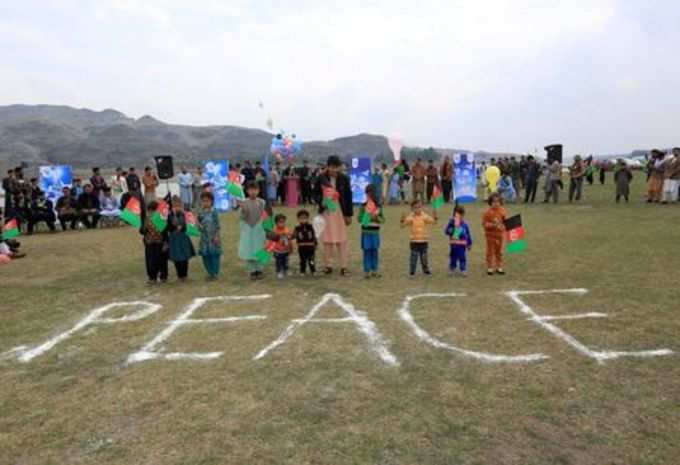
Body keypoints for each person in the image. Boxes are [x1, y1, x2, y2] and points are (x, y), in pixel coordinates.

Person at [316, 155, 354, 276]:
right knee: (326, 239)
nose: (334, 170)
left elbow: (348, 197)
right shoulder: (321, 178)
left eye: (336, 167)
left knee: (342, 239)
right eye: (332, 167)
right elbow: (314, 194)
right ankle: (328, 266)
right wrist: (322, 202)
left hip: (340, 211)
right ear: (327, 167)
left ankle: (344, 266)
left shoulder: (344, 179)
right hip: (326, 211)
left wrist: (348, 214)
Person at [238, 181, 268, 280]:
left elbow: (265, 215)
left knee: (260, 248)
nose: (253, 192)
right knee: (249, 249)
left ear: (258, 191)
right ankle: (252, 270)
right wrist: (243, 209)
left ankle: (260, 269)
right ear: (247, 191)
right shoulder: (244, 202)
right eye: (250, 190)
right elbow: (242, 217)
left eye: (255, 190)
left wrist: (267, 227)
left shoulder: (262, 202)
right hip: (248, 229)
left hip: (259, 229)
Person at [400, 199, 437, 277]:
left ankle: (426, 271)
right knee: (414, 258)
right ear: (412, 209)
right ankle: (412, 272)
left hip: (424, 241)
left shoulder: (425, 216)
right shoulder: (411, 217)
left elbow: (433, 222)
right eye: (416, 207)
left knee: (424, 258)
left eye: (419, 207)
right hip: (414, 241)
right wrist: (402, 219)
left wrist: (435, 216)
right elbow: (403, 225)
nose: (418, 209)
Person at [167, 195, 196, 281]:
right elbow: (168, 227)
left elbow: (190, 224)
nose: (176, 208)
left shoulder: (185, 214)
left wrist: (182, 227)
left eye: (178, 206)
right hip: (174, 238)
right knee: (177, 257)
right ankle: (179, 274)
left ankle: (185, 274)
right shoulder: (169, 215)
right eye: (174, 206)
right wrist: (173, 225)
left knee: (184, 257)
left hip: (183, 237)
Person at [359, 184, 385, 279]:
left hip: (375, 233)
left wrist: (376, 218)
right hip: (365, 233)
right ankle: (367, 271)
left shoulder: (378, 207)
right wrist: (367, 215)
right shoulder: (363, 206)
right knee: (366, 251)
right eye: (368, 193)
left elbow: (383, 219)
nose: (369, 195)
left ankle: (374, 270)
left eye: (371, 193)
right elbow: (359, 219)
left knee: (375, 251)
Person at [140, 201, 169, 284]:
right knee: (150, 262)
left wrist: (166, 243)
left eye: (153, 210)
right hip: (149, 243)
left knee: (162, 261)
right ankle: (152, 277)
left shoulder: (162, 219)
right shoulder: (146, 219)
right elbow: (142, 231)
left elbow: (165, 232)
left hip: (159, 243)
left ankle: (163, 276)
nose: (151, 212)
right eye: (149, 211)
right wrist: (144, 227)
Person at [197, 191, 222, 280]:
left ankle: (215, 273)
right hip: (204, 238)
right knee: (205, 256)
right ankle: (210, 273)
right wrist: (197, 224)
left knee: (214, 255)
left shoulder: (214, 212)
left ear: (212, 201)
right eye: (203, 201)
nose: (205, 203)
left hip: (213, 238)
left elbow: (218, 225)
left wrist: (216, 236)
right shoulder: (200, 212)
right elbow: (198, 225)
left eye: (207, 201)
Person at [482, 193, 507, 276]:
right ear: (490, 202)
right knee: (490, 251)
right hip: (490, 236)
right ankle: (490, 267)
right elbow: (484, 224)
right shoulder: (487, 213)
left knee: (499, 251)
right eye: (494, 202)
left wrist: (503, 227)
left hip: (499, 235)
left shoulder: (502, 211)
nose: (496, 203)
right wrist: (493, 225)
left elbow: (505, 222)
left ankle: (499, 266)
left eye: (498, 201)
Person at [445, 205, 472, 277]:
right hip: (454, 244)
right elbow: (447, 231)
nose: (459, 217)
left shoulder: (464, 224)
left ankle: (463, 269)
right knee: (453, 257)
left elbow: (468, 234)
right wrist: (452, 230)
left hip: (462, 245)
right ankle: (452, 268)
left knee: (462, 257)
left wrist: (469, 244)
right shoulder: (451, 223)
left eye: (461, 215)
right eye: (457, 215)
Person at [293, 209, 317, 276]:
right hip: (301, 247)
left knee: (311, 260)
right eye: (301, 218)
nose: (303, 219)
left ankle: (313, 270)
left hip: (310, 247)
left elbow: (314, 235)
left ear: (307, 218)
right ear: (298, 219)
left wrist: (315, 244)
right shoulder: (297, 228)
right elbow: (293, 236)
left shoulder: (311, 226)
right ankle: (302, 271)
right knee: (302, 260)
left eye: (305, 218)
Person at [271, 214, 292, 279]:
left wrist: (290, 248)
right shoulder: (274, 231)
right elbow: (272, 240)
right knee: (278, 262)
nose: (282, 224)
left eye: (283, 222)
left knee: (286, 261)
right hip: (277, 250)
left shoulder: (287, 230)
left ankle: (286, 270)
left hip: (285, 250)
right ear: (276, 223)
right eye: (280, 222)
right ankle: (279, 271)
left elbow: (290, 239)